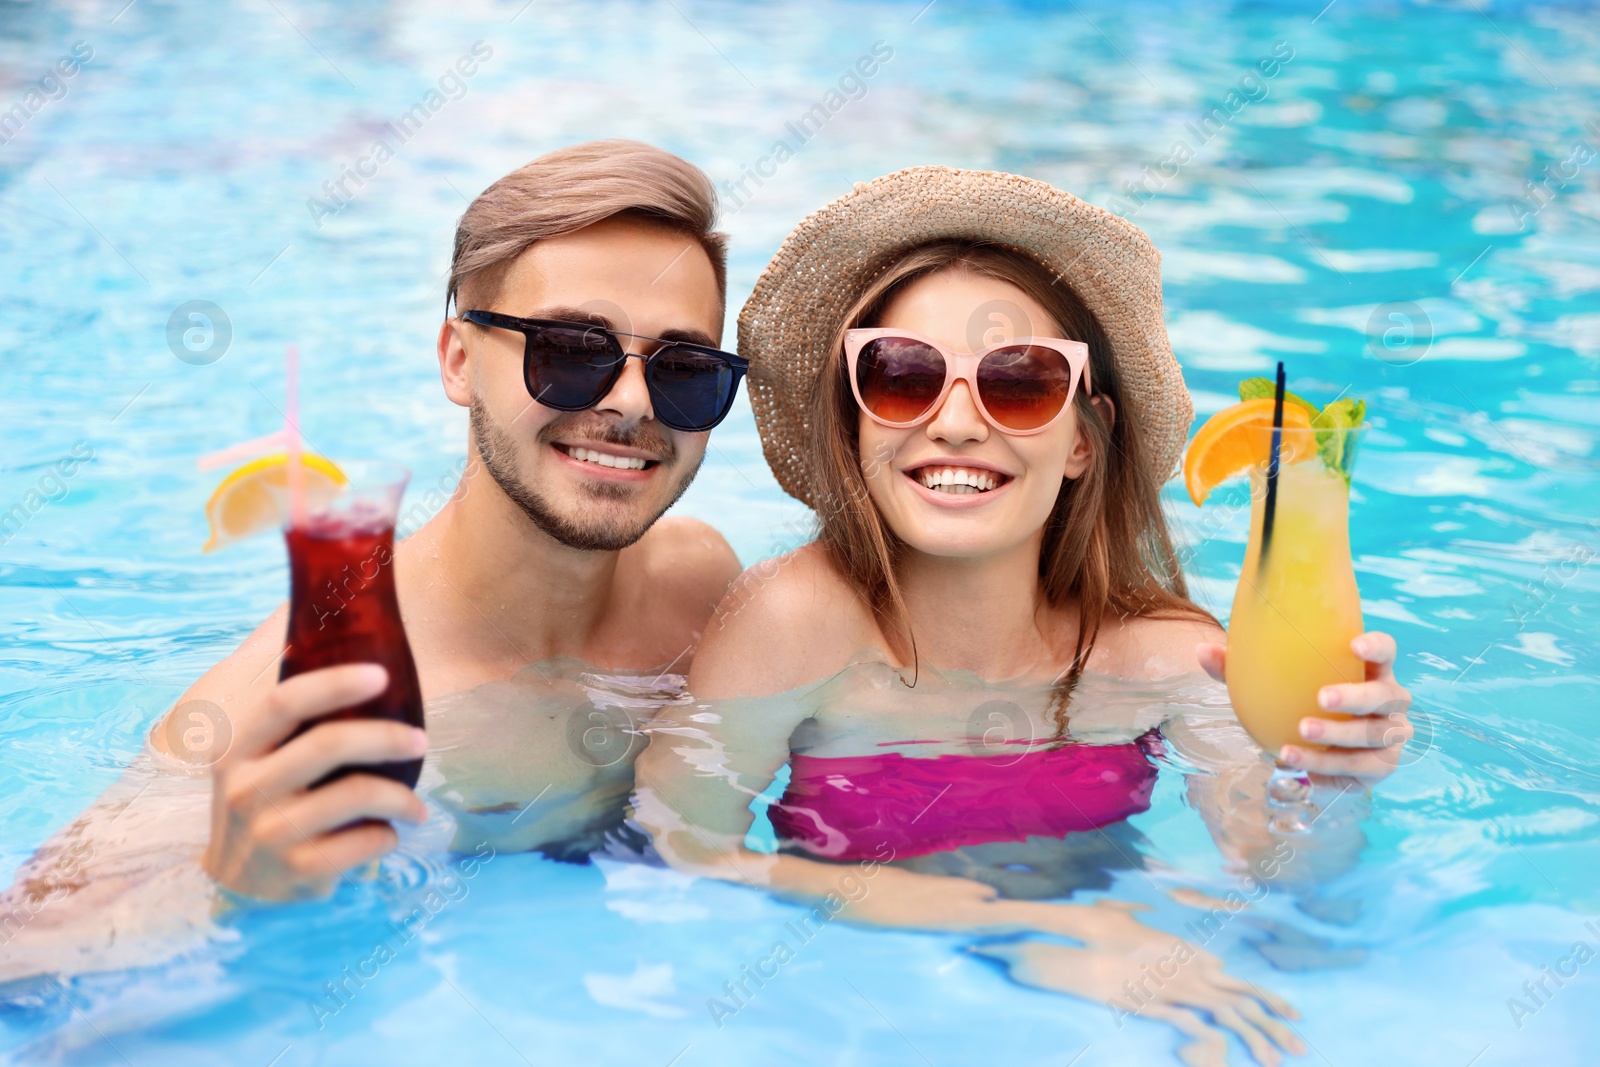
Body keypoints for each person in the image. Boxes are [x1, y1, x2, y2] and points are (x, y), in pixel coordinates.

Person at [635, 166, 1415, 1067]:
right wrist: (1022, 930)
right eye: (901, 374)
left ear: (1084, 439)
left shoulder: (1170, 659)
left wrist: (1332, 784)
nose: (956, 424)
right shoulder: (797, 622)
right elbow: (672, 857)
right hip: (846, 1016)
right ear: (854, 420)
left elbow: (1288, 892)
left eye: (1019, 382)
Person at [1, 140, 746, 932]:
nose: (633, 402)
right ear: (458, 360)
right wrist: (228, 885)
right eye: (569, 351)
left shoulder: (699, 586)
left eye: (684, 367)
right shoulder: (314, 690)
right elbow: (26, 957)